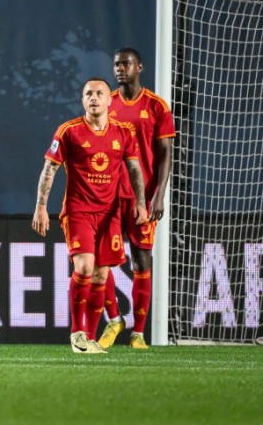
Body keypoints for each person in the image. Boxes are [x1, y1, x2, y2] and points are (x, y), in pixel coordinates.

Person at [32, 78, 148, 354]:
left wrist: (141, 203)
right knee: (84, 268)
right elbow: (50, 169)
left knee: (100, 276)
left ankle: (90, 337)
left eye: (99, 93)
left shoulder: (124, 132)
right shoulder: (68, 131)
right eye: (88, 94)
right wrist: (40, 206)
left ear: (110, 100)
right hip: (78, 211)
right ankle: (76, 335)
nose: (93, 98)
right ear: (82, 100)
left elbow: (134, 170)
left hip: (110, 215)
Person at [99, 48, 175, 350]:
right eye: (116, 64)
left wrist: (158, 195)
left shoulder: (156, 106)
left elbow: (166, 154)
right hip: (110, 197)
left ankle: (138, 334)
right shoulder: (107, 103)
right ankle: (114, 319)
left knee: (141, 261)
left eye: (126, 63)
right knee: (100, 263)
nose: (120, 68)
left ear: (139, 67)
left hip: (142, 198)